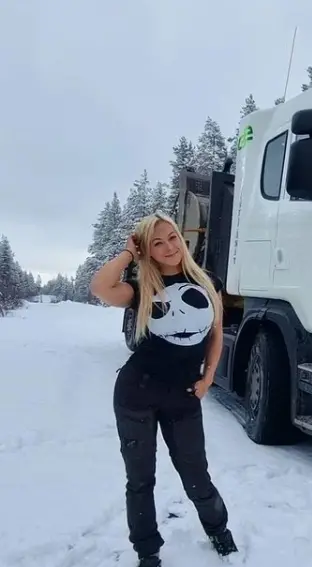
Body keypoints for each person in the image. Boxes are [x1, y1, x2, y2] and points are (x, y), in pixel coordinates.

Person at [90, 212, 237, 567]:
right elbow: (100, 288)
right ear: (148, 250)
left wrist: (208, 379)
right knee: (140, 479)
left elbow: (216, 333)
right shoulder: (141, 289)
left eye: (171, 237)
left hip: (184, 396)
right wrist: (129, 254)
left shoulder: (207, 282)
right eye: (157, 242)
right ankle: (147, 551)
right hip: (136, 394)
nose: (169, 247)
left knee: (196, 474)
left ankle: (219, 531)